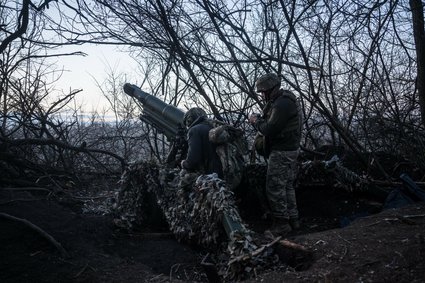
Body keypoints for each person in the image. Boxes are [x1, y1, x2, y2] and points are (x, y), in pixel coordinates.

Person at [249, 73, 302, 236]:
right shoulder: (283, 100)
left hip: (282, 152)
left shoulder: (282, 104)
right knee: (286, 186)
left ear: (271, 89)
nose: (262, 95)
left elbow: (270, 130)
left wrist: (255, 121)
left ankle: (282, 225)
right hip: (289, 150)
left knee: (274, 187)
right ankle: (293, 220)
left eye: (263, 91)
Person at [180, 107, 223, 178]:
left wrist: (184, 164)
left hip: (212, 174)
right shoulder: (211, 126)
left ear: (190, 119)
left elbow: (193, 159)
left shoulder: (194, 130)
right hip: (223, 170)